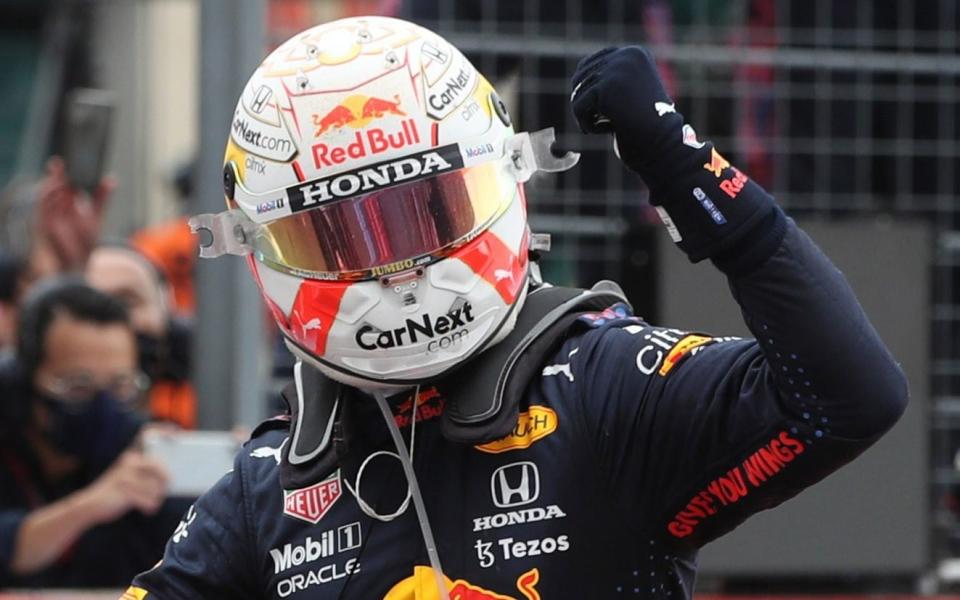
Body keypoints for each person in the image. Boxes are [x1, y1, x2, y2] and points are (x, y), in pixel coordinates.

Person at [124, 16, 907, 599]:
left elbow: (850, 397)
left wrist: (689, 174)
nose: (394, 264)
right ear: (260, 247)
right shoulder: (274, 483)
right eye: (339, 235)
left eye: (425, 213)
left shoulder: (600, 384)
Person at [0, 278, 184, 589]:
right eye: (78, 386)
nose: (103, 406)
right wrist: (95, 503)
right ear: (27, 377)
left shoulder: (136, 450)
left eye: (120, 386)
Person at [86, 245, 196, 428]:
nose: (112, 318)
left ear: (167, 308)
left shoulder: (216, 401)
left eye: (126, 301)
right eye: (91, 304)